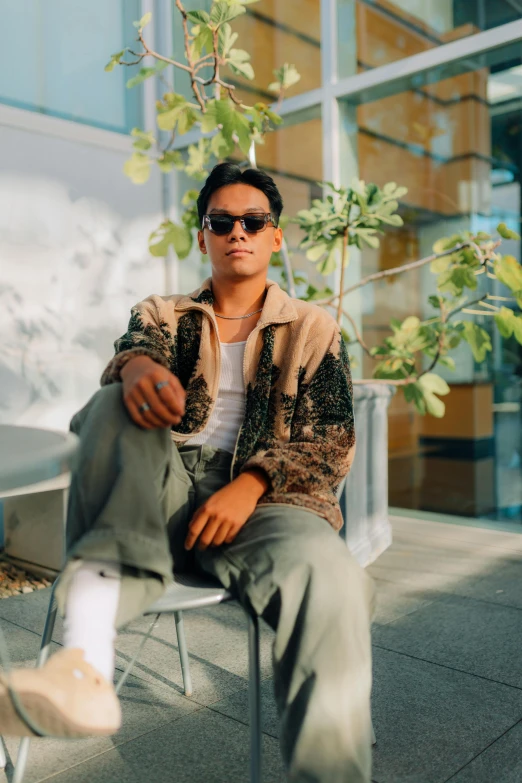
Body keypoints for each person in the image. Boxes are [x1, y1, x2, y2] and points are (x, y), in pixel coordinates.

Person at [0, 163, 375, 782]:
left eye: (253, 221)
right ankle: (83, 668)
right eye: (221, 221)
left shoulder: (313, 329)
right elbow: (137, 346)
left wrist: (250, 485)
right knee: (111, 402)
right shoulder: (164, 314)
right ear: (203, 237)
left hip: (268, 502)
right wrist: (136, 369)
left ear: (275, 237)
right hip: (156, 485)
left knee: (332, 579)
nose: (238, 232)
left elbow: (331, 442)